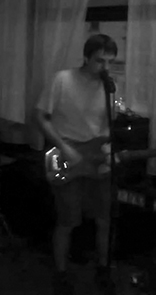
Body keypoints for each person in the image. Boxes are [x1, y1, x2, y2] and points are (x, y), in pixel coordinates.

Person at [35, 34, 118, 295]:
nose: (105, 67)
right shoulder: (62, 79)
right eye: (100, 61)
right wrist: (64, 146)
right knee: (67, 221)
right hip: (68, 155)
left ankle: (103, 269)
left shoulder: (109, 87)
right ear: (85, 57)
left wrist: (109, 149)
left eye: (110, 62)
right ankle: (60, 273)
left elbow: (109, 125)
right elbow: (40, 115)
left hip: (97, 158)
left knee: (104, 219)